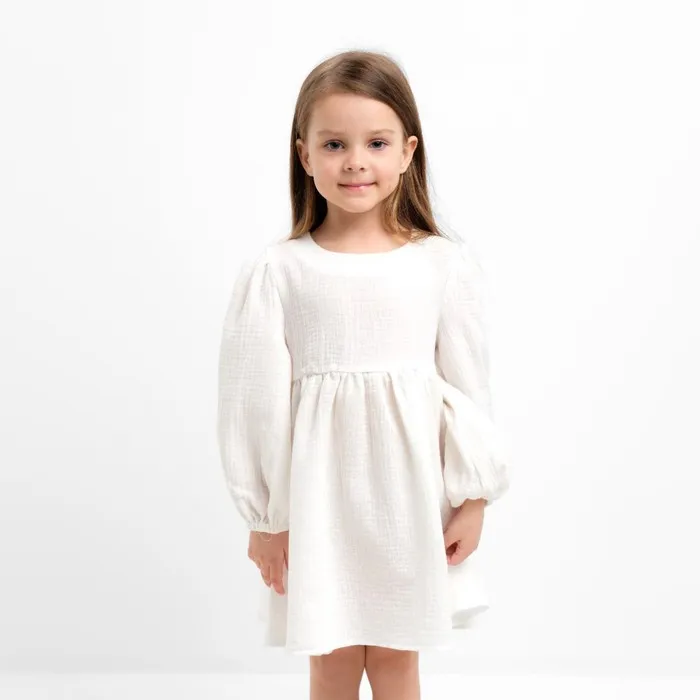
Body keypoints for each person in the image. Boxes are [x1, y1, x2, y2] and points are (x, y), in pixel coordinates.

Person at [217, 49, 511, 700]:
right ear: (304, 156)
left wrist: (473, 498)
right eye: (334, 144)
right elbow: (252, 402)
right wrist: (265, 518)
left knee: (398, 660)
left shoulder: (441, 265)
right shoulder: (279, 272)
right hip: (319, 502)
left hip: (409, 500)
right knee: (331, 662)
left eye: (376, 143)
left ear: (408, 152)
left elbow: (468, 393)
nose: (355, 161)